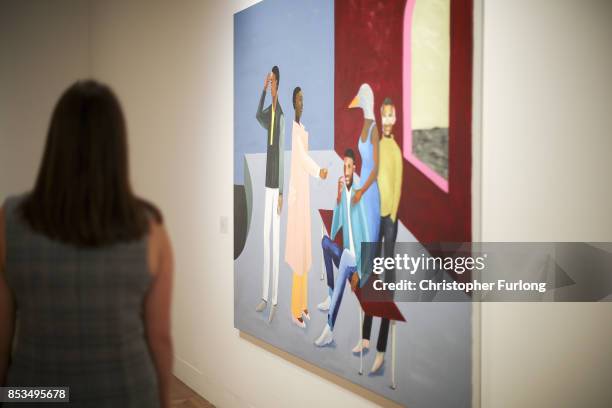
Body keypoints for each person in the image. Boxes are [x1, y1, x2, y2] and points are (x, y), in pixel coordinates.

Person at [0, 81, 173, 407]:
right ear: (118, 148)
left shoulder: (9, 221)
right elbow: (160, 340)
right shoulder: (150, 227)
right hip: (129, 394)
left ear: (55, 143)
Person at [317, 83, 380, 311]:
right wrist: (340, 193)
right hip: (361, 185)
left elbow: (376, 168)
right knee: (344, 234)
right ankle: (344, 281)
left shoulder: (373, 131)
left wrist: (361, 190)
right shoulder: (366, 125)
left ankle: (359, 274)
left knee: (365, 230)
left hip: (369, 190)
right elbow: (340, 215)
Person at [355, 98, 403, 373]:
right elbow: (373, 175)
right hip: (376, 216)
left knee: (387, 280)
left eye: (390, 115)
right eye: (383, 115)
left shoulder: (394, 150)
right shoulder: (378, 144)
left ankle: (382, 348)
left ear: (394, 119)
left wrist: (391, 217)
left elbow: (397, 186)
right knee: (372, 275)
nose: (386, 120)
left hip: (389, 221)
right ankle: (365, 336)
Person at [314, 149, 372, 347]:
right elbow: (335, 227)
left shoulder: (357, 195)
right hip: (348, 257)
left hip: (357, 262)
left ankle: (329, 327)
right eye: (344, 167)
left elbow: (366, 236)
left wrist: (361, 274)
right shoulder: (345, 193)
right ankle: (331, 295)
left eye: (349, 167)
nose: (346, 171)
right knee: (325, 242)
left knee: (346, 256)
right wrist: (338, 198)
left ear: (354, 168)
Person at [285, 87, 328, 328]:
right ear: (293, 103)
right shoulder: (293, 130)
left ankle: (302, 305)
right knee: (298, 254)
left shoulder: (301, 129)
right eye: (299, 99)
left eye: (303, 99)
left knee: (304, 252)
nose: (302, 103)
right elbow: (301, 158)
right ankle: (294, 309)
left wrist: (315, 172)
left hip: (303, 196)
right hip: (297, 198)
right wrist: (318, 170)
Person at [255, 66, 285, 323]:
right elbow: (257, 115)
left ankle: (275, 300)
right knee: (265, 238)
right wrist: (262, 91)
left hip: (277, 187)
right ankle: (264, 296)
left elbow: (283, 155)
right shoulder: (269, 113)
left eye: (274, 81)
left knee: (275, 242)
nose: (271, 84)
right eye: (270, 81)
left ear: (279, 84)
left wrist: (283, 192)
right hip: (266, 183)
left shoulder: (282, 116)